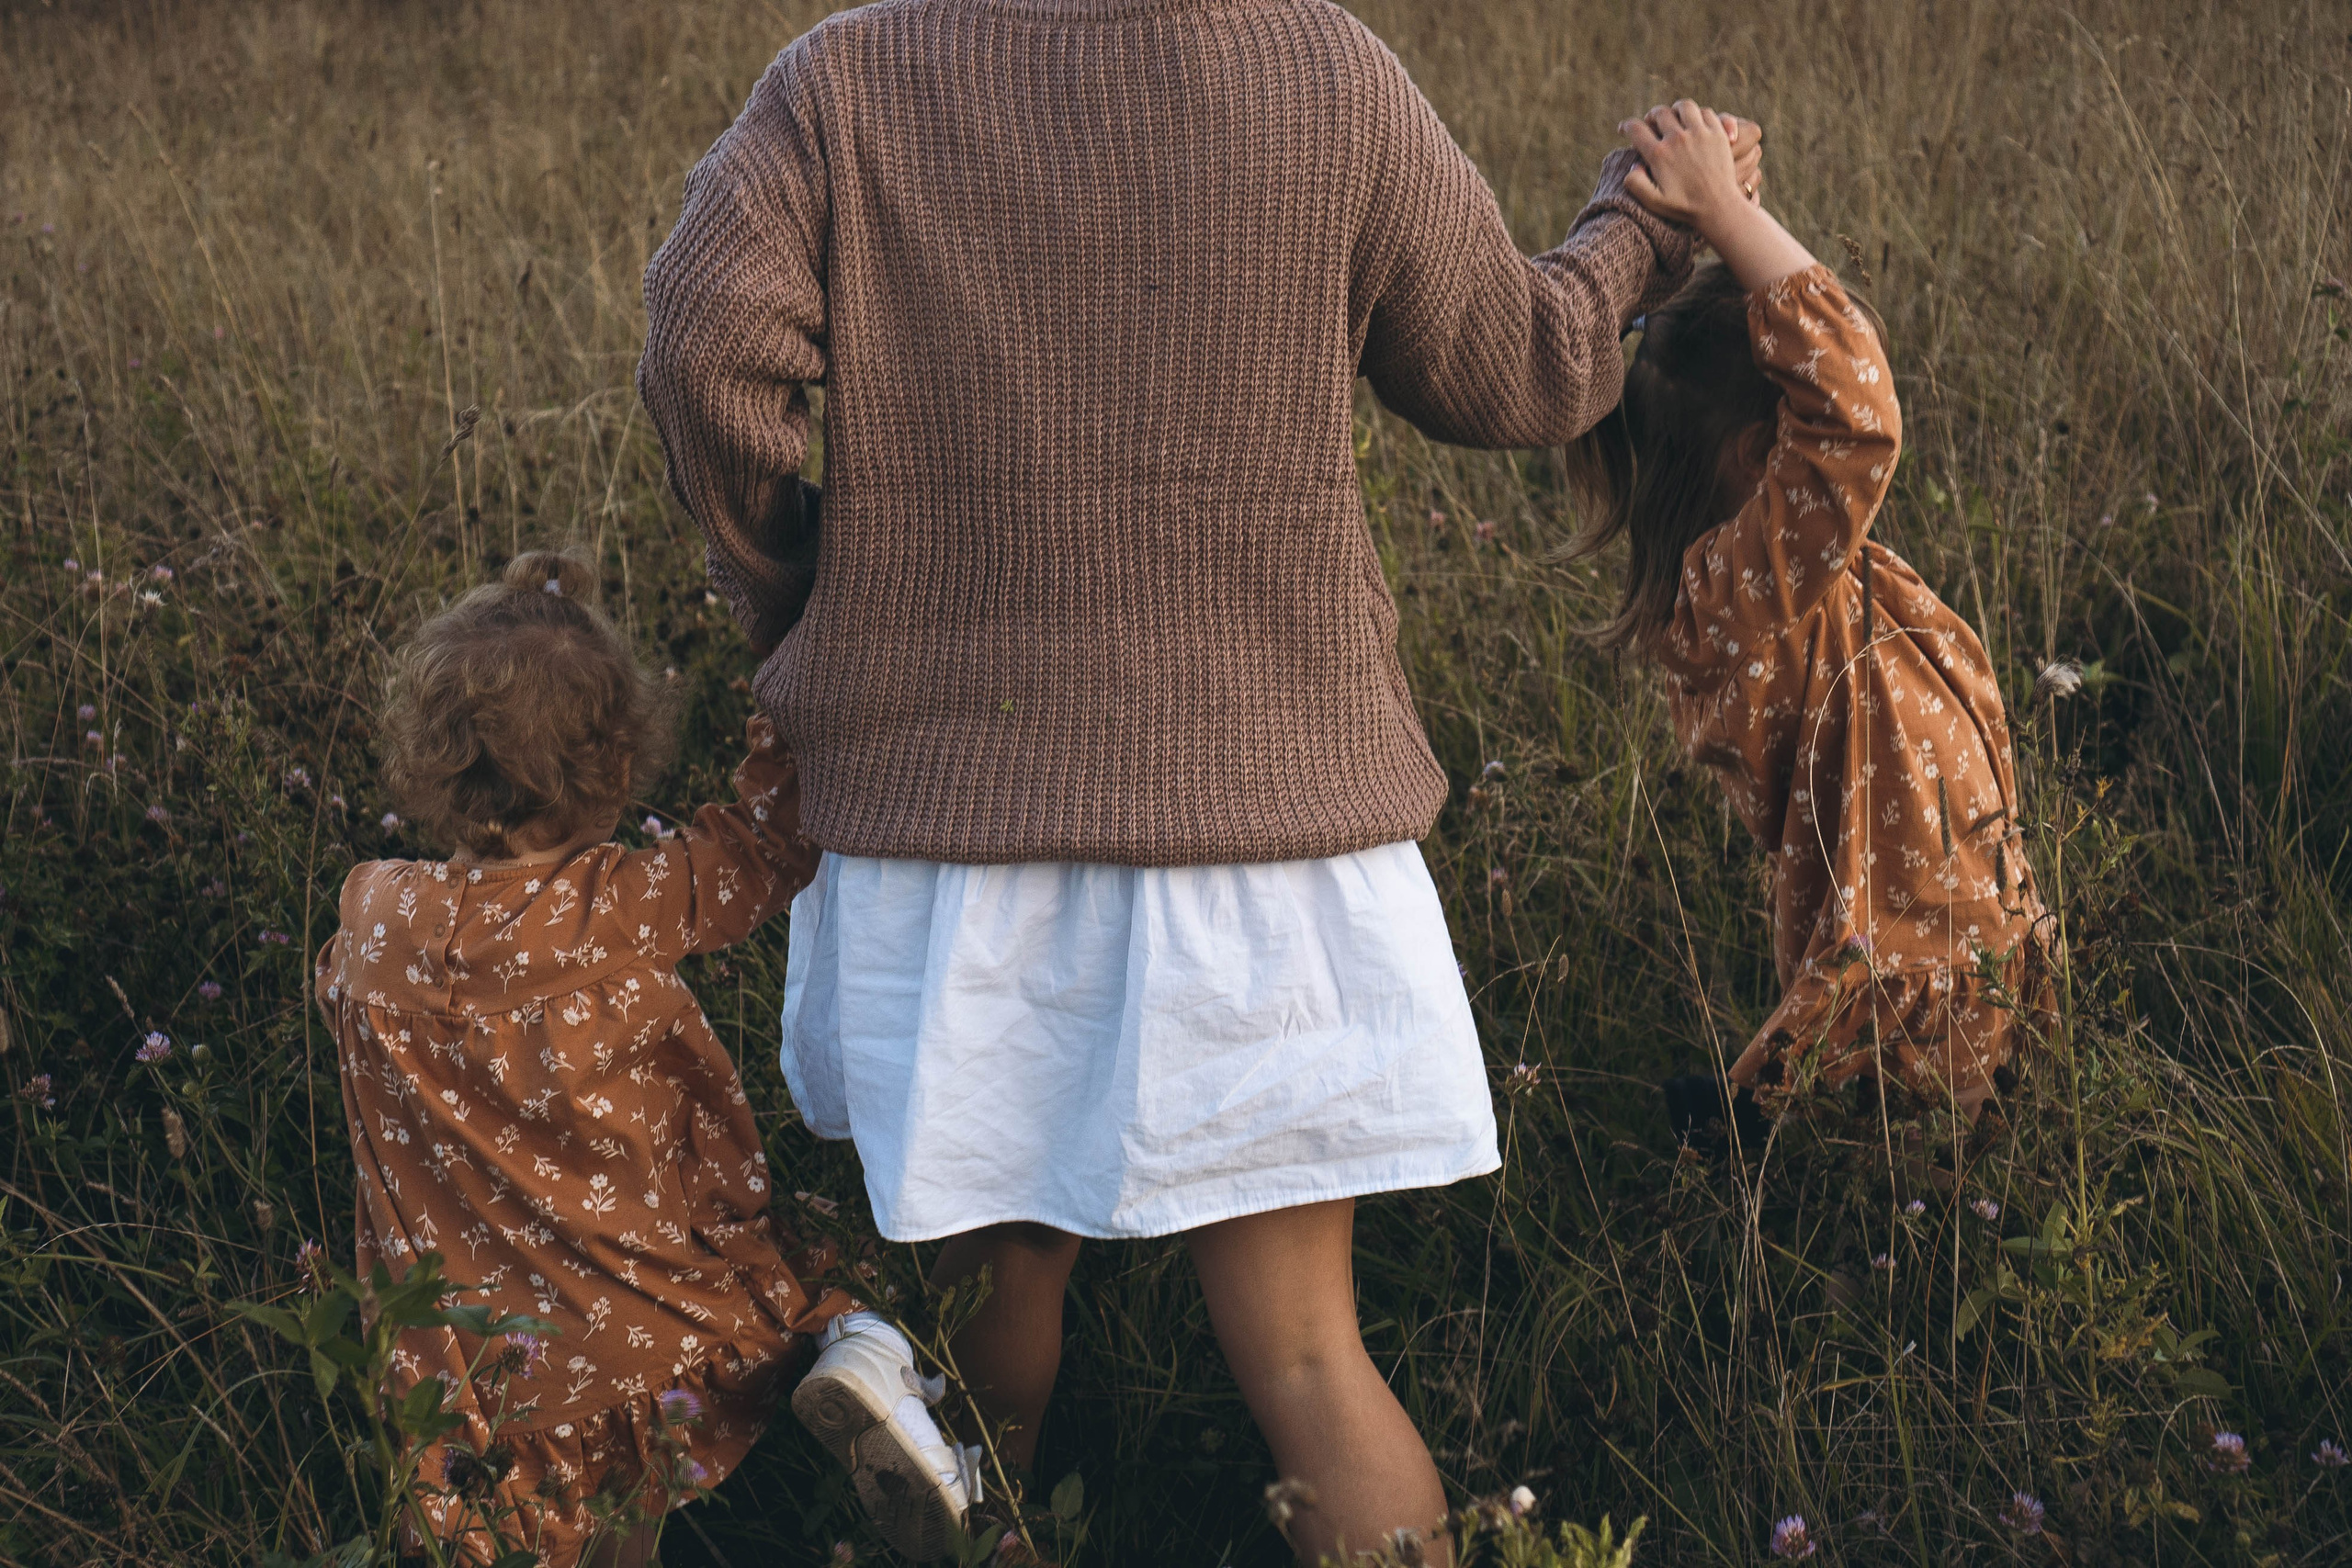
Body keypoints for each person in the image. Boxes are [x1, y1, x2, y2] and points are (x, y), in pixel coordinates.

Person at [637, 1, 1758, 1558]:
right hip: (1268, 824)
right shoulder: (1322, 70)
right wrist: (1639, 230)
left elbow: (702, 333)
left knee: (989, 1330)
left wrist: (812, 594)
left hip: (964, 828)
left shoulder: (850, 72)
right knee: (1306, 1349)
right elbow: (1522, 371)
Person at [314, 548, 970, 1566]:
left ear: (434, 759)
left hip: (469, 1356)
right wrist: (789, 696)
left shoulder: (373, 920)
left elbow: (350, 1000)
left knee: (527, 1530)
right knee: (757, 1345)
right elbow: (767, 847)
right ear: (614, 768)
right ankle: (864, 1358)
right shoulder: (617, 905)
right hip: (637, 1311)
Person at [1572, 103, 2052, 1134]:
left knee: (1923, 1113)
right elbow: (1856, 408)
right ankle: (1783, 1148)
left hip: (1933, 908)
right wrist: (1731, 224)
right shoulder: (1747, 588)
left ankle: (1769, 1125)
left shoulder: (1758, 576)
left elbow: (1826, 385)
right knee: (1915, 1151)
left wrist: (1726, 210)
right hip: (1912, 941)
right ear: (1758, 458)